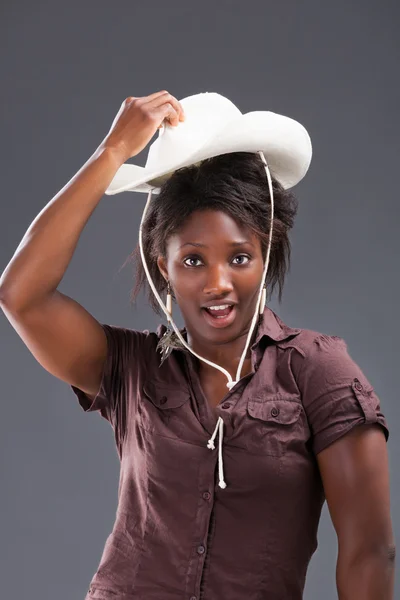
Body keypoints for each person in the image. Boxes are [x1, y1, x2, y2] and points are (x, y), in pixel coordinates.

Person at [0, 90, 395, 599]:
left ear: (265, 254)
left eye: (239, 257)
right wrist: (113, 153)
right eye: (193, 260)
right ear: (162, 266)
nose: (217, 283)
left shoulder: (319, 372)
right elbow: (21, 295)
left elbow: (370, 550)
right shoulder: (132, 369)